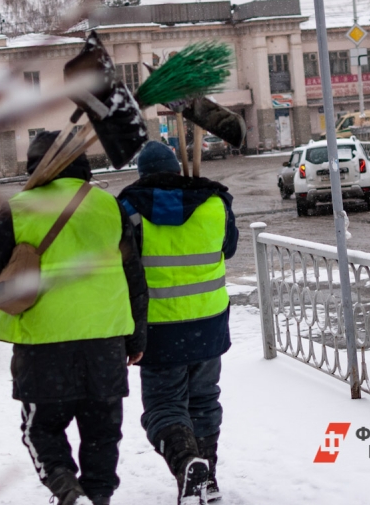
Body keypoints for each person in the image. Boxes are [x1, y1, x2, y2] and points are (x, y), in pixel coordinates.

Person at [0, 131, 148, 505]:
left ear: (35, 165)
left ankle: (66, 489)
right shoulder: (110, 207)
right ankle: (99, 497)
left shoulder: (21, 207)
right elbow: (134, 277)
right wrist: (137, 337)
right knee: (102, 433)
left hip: (43, 347)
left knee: (41, 429)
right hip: (104, 343)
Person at [117, 141, 238, 505]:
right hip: (209, 323)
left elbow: (121, 267)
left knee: (163, 407)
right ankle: (208, 476)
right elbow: (228, 248)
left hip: (159, 330)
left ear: (142, 175)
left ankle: (188, 463)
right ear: (178, 169)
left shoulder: (129, 210)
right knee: (203, 402)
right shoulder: (215, 203)